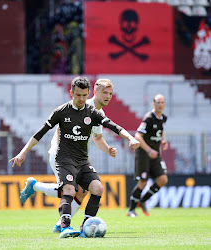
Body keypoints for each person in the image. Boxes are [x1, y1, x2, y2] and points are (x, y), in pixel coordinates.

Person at [10, 76, 140, 238]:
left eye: (84, 96)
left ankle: (82, 226)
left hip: (81, 159)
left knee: (91, 189)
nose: (81, 99)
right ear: (72, 93)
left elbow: (108, 129)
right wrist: (23, 152)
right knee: (69, 189)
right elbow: (43, 132)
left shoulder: (94, 112)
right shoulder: (63, 111)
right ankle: (61, 223)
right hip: (62, 155)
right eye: (78, 95)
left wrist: (129, 139)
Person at [127, 94, 168, 217]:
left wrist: (164, 140)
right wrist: (149, 150)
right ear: (153, 103)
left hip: (155, 154)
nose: (160, 104)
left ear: (164, 104)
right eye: (157, 102)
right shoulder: (148, 118)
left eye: (162, 102)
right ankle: (131, 210)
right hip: (144, 153)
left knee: (162, 180)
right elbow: (138, 136)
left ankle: (143, 200)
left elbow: (161, 130)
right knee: (143, 182)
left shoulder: (163, 118)